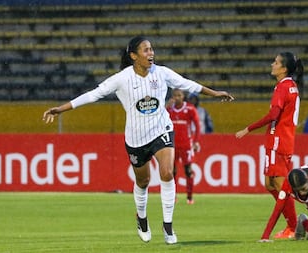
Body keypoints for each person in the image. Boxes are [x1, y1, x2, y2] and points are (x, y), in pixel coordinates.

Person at [42, 36, 234, 245]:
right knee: (142, 181)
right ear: (133, 56)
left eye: (151, 49)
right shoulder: (121, 79)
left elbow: (189, 85)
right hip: (136, 138)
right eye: (145, 50)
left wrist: (215, 93)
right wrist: (61, 109)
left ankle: (168, 226)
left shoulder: (162, 73)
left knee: (167, 173)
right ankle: (141, 218)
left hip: (162, 130)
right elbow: (93, 94)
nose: (151, 53)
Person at [235, 52, 304, 239]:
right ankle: (295, 223)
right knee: (269, 183)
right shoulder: (291, 86)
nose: (272, 64)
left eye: (275, 62)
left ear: (283, 68)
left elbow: (273, 115)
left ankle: (295, 226)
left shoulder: (282, 88)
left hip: (277, 141)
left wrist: (248, 128)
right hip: (284, 140)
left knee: (281, 186)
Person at [167, 88, 200, 204]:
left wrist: (196, 141)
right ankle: (173, 196)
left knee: (188, 170)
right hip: (172, 145)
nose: (177, 98)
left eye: (179, 95)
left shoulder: (190, 109)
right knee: (172, 171)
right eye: (175, 95)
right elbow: (160, 120)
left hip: (186, 145)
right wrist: (166, 108)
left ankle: (190, 197)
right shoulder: (169, 110)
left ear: (183, 96)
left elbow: (197, 126)